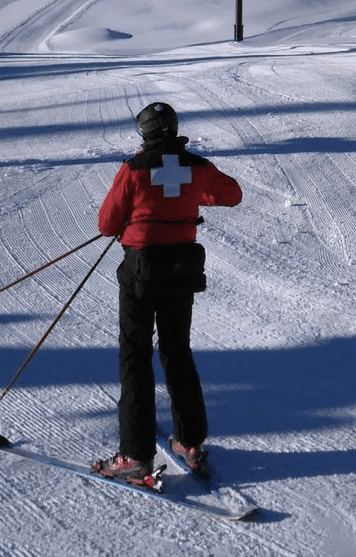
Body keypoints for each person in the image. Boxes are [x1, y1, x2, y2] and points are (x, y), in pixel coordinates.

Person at [92, 102, 242, 484]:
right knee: (177, 352)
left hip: (141, 272)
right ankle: (190, 442)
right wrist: (192, 197)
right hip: (181, 271)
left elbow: (107, 224)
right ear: (173, 129)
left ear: (144, 133)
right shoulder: (195, 166)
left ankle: (135, 455)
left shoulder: (133, 169)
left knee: (135, 357)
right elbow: (232, 194)